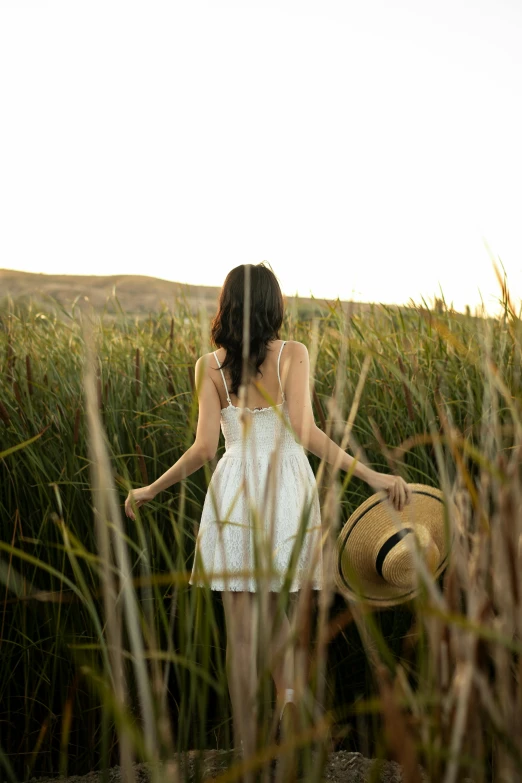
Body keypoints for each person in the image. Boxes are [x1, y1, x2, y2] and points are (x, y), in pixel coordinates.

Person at [124, 262, 411, 761]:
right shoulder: (293, 356)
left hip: (234, 492)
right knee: (278, 612)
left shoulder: (207, 366)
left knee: (239, 626)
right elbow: (308, 434)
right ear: (274, 306)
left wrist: (150, 488)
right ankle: (292, 704)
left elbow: (203, 449)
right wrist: (375, 476)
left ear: (226, 306)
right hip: (286, 489)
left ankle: (244, 742)